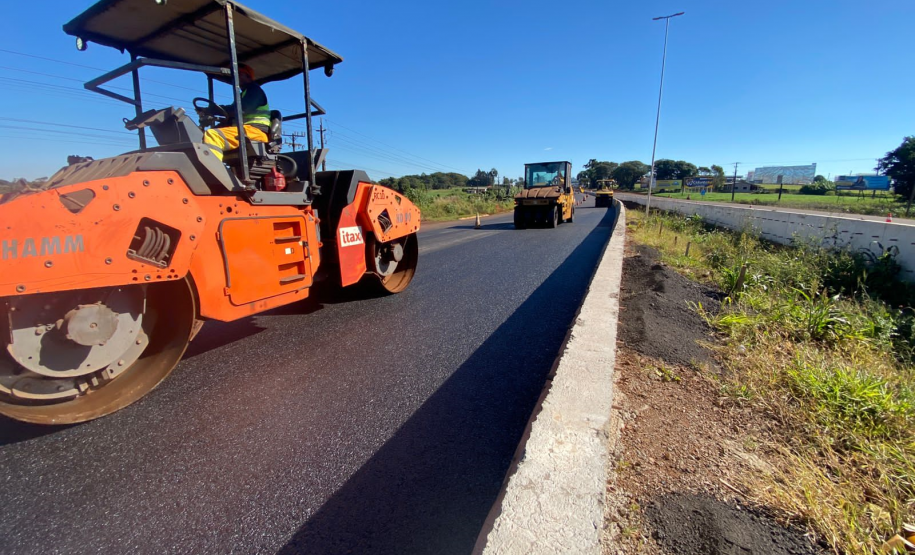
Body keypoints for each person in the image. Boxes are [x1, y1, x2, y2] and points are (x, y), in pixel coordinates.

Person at [202, 64, 271, 161]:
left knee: (213, 135)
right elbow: (232, 116)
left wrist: (213, 110)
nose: (236, 77)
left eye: (240, 74)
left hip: (255, 131)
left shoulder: (254, 91)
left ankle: (210, 169)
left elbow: (240, 110)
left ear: (248, 77)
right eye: (234, 75)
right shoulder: (244, 94)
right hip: (245, 130)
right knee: (203, 135)